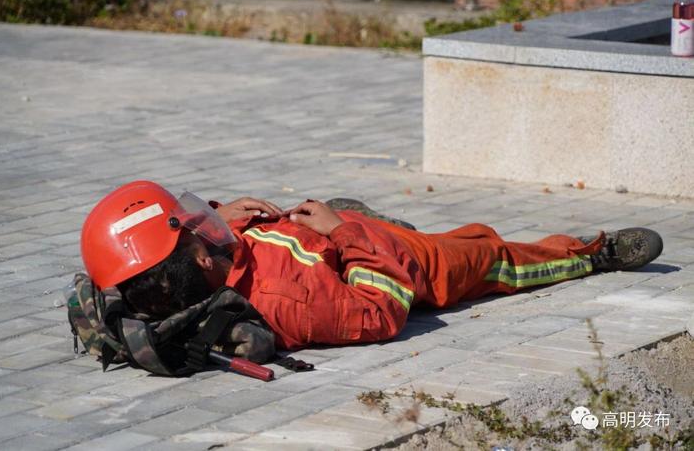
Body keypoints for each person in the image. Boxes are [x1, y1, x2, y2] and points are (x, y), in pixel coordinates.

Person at [80, 180, 663, 357]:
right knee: (487, 255)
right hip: (386, 261)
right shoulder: (295, 304)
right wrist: (345, 232)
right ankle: (590, 254)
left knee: (377, 221)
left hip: (324, 231)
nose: (201, 217)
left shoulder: (175, 274)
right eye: (196, 225)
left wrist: (217, 215)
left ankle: (372, 219)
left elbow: (165, 247)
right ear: (201, 258)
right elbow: (382, 309)